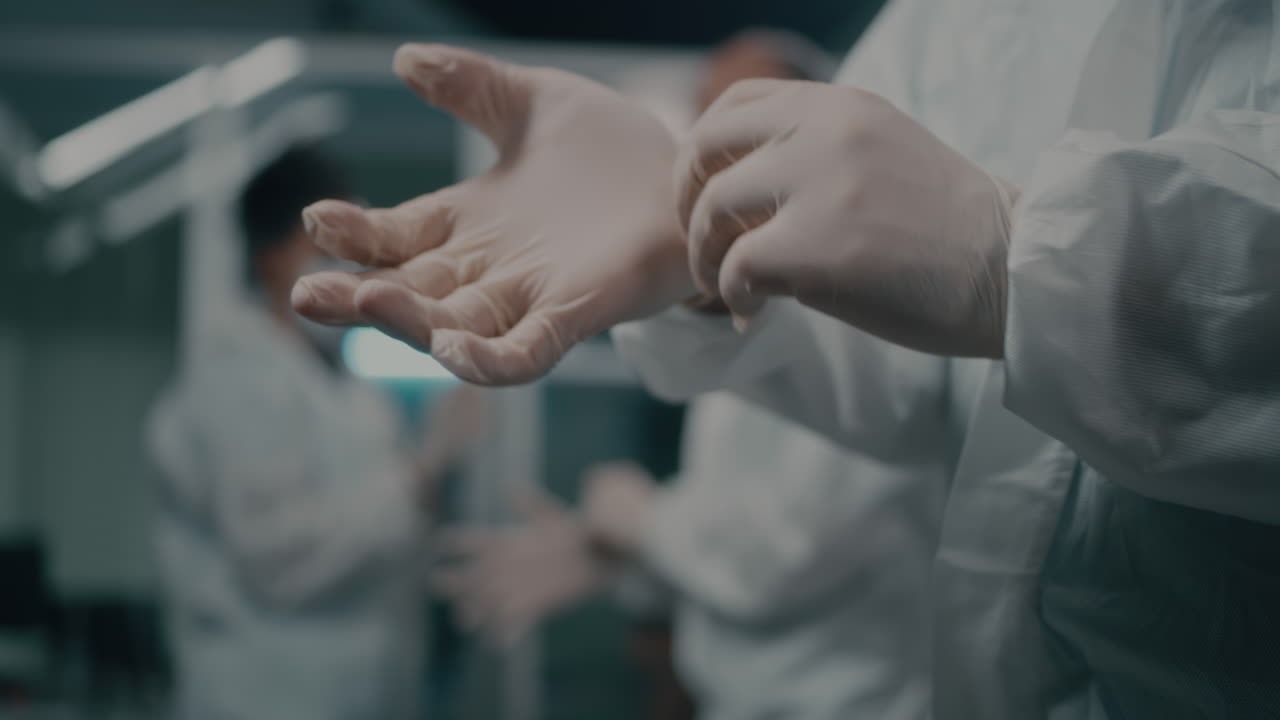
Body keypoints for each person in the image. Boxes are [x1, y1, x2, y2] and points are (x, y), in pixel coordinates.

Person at [291, 1, 1280, 717]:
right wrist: (683, 263)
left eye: (751, 124)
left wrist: (1024, 254)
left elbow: (792, 540)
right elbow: (912, 383)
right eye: (707, 130)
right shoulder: (944, 27)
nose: (717, 157)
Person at [433, 31, 938, 720]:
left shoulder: (861, 308)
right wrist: (622, 561)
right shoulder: (752, 316)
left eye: (748, 113)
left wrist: (641, 525)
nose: (712, 142)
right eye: (704, 114)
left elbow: (784, 556)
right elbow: (732, 527)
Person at [146, 145, 489, 720]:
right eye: (328, 248)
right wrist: (419, 473)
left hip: (355, 693)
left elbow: (383, 540)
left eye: (357, 250)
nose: (351, 269)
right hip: (261, 697)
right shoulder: (239, 380)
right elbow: (279, 558)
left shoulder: (348, 389)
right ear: (270, 256)